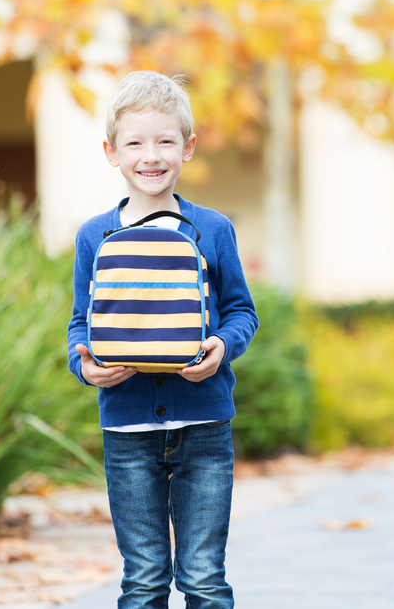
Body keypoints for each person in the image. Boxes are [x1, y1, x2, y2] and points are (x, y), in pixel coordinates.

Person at [66, 70, 258, 608]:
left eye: (165, 141)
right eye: (135, 143)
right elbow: (81, 323)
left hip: (203, 423)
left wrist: (222, 346)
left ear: (188, 147)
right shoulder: (94, 235)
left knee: (204, 579)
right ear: (112, 152)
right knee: (144, 579)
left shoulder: (213, 230)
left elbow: (242, 311)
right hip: (126, 427)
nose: (151, 155)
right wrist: (85, 367)